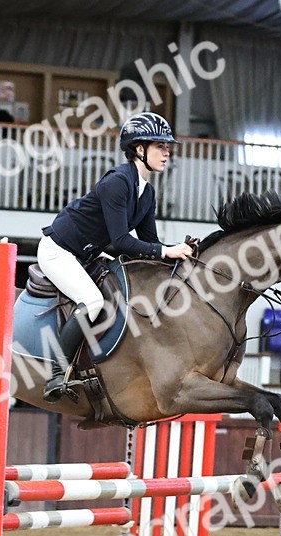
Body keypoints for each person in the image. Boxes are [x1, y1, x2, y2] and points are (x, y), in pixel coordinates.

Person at [37, 111, 195, 402]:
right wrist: (165, 251)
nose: (167, 152)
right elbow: (121, 241)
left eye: (168, 147)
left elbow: (150, 243)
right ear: (139, 149)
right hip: (58, 250)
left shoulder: (146, 193)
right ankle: (56, 373)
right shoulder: (118, 181)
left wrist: (177, 255)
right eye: (160, 146)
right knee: (93, 301)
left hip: (88, 253)